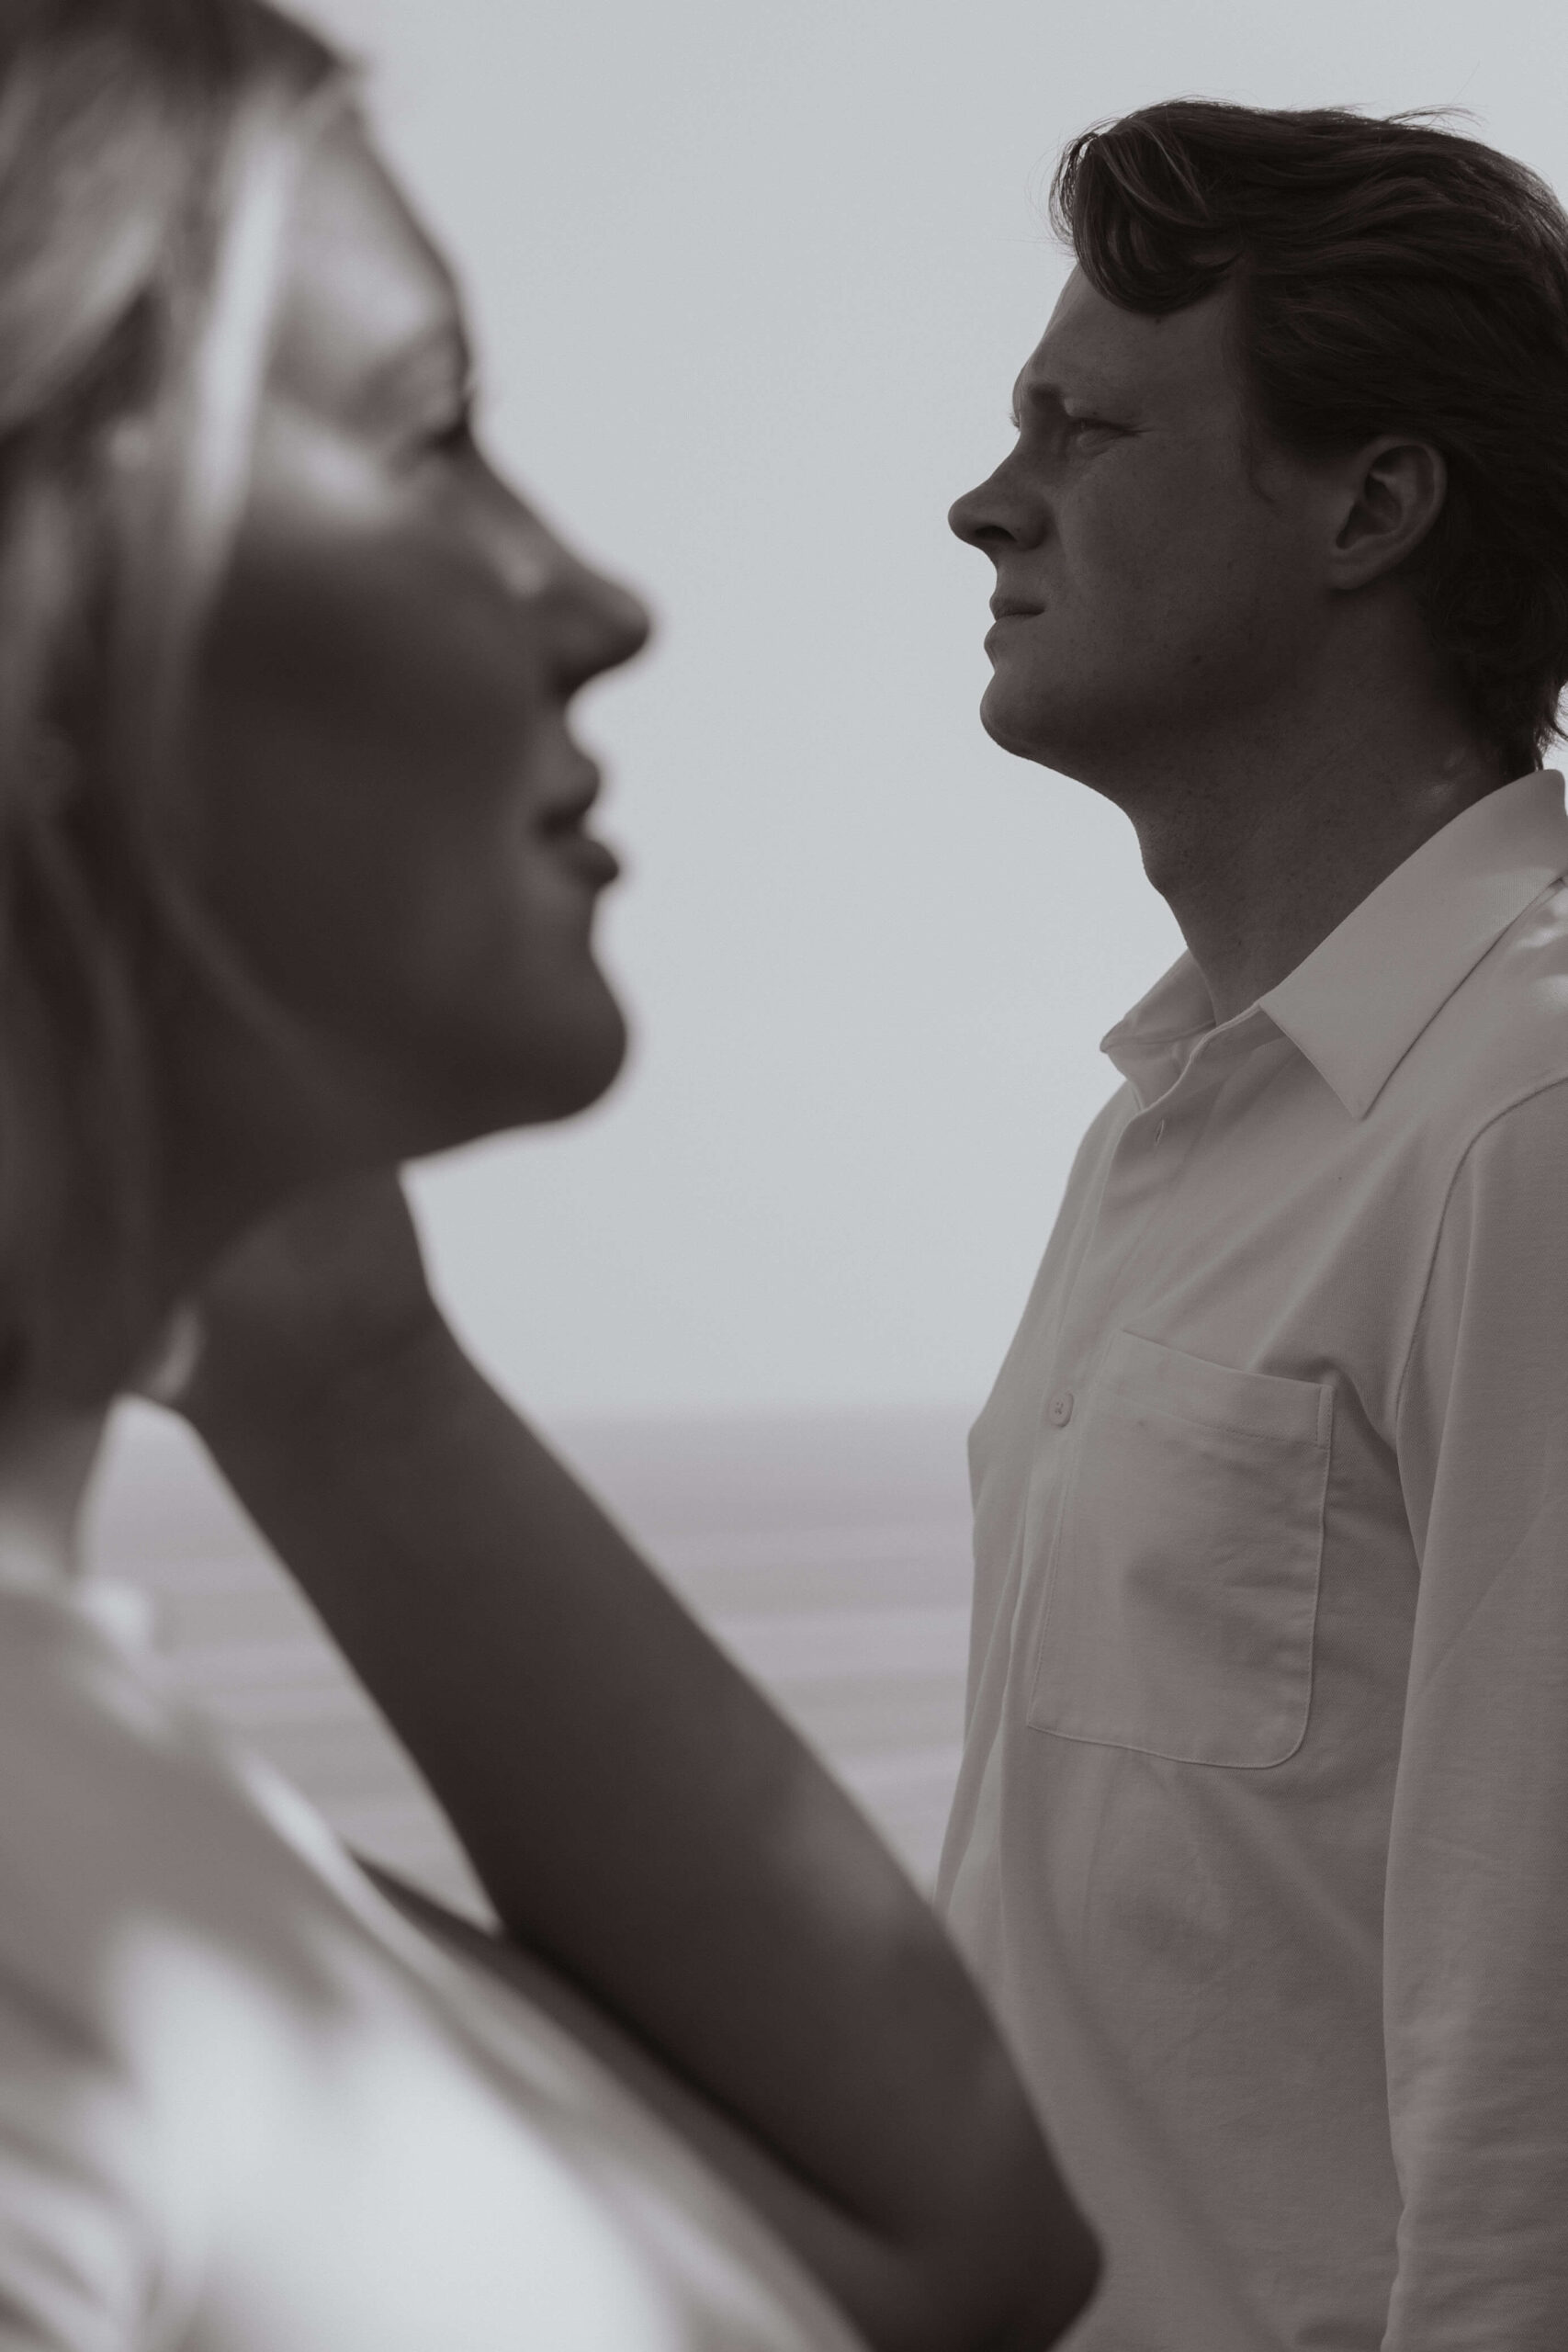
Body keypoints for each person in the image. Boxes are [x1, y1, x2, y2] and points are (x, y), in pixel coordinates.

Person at [0, 2, 1103, 2346]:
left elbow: (937, 2248)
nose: (598, 602)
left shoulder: (105, 1808)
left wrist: (338, 1352)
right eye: (433, 439)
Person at [938, 96, 1568, 2352]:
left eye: (1079, 429)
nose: (982, 499)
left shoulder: (1524, 1120)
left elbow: (1535, 2113)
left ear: (1370, 506)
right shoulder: (1160, 1130)